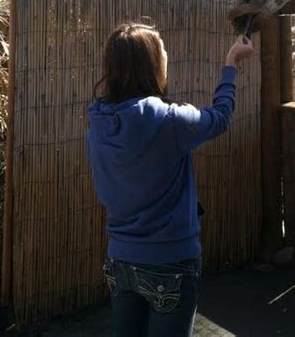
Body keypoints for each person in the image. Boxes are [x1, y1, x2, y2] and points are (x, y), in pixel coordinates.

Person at [86, 21, 255, 337]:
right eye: (162, 51)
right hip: (171, 264)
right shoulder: (168, 120)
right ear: (151, 64)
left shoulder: (97, 122)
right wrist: (231, 64)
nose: (166, 55)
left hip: (120, 261)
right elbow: (220, 118)